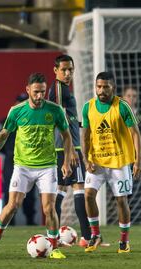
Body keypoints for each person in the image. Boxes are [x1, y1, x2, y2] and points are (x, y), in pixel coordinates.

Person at [0, 72, 73, 259]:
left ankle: (54, 248)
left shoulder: (54, 110)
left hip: (47, 166)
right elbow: (3, 135)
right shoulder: (16, 111)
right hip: (22, 166)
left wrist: (67, 160)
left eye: (43, 92)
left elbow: (66, 136)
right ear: (28, 90)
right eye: (36, 92)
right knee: (13, 205)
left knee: (49, 208)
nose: (40, 96)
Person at [81, 72, 141, 253]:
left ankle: (124, 240)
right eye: (99, 86)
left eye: (105, 87)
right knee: (88, 195)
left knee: (121, 201)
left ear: (113, 88)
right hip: (97, 161)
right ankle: (95, 235)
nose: (101, 90)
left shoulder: (122, 106)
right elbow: (85, 136)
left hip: (120, 162)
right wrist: (86, 160)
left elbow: (135, 134)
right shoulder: (88, 107)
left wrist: (138, 161)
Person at [47, 54, 91, 247]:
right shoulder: (57, 88)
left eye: (70, 70)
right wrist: (71, 149)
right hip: (67, 148)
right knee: (79, 188)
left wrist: (78, 124)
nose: (67, 73)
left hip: (64, 147)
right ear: (55, 70)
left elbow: (67, 118)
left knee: (61, 190)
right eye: (63, 70)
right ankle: (88, 238)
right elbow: (58, 116)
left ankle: (53, 237)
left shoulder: (64, 89)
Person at [0, 93, 37, 226]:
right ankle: (9, 222)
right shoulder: (5, 121)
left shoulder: (34, 121)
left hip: (29, 160)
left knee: (29, 193)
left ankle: (30, 220)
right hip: (11, 161)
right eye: (19, 102)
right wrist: (10, 153)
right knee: (9, 191)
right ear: (14, 104)